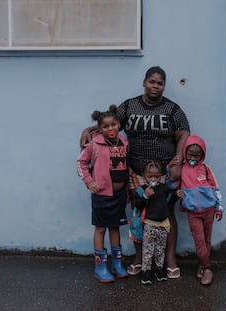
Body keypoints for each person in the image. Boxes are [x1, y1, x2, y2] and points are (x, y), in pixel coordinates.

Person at [80, 66, 190, 279]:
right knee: (139, 216)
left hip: (164, 172)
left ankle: (169, 258)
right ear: (144, 82)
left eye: (160, 83)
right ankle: (141, 257)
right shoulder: (129, 106)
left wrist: (178, 160)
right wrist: (87, 131)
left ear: (164, 86)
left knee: (167, 213)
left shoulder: (172, 109)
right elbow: (109, 123)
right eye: (152, 82)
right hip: (135, 172)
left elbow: (184, 132)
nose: (155, 86)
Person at [77, 105, 129, 283]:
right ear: (100, 129)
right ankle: (100, 267)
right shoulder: (94, 145)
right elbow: (81, 163)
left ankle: (117, 264)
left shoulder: (124, 143)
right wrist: (89, 182)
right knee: (101, 228)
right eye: (105, 126)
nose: (110, 129)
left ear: (119, 125)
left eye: (113, 124)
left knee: (115, 227)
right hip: (102, 195)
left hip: (120, 195)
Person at [174, 134, 223, 285]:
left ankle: (202, 265)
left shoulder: (206, 169)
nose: (193, 157)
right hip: (193, 213)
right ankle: (208, 268)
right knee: (199, 240)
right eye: (190, 154)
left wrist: (218, 208)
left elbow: (215, 188)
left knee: (207, 240)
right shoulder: (182, 169)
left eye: (197, 154)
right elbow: (172, 184)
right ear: (185, 152)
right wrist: (179, 193)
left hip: (208, 210)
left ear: (203, 154)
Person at [132, 160, 171, 285]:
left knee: (160, 249)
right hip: (149, 224)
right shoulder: (142, 190)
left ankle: (159, 270)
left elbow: (169, 200)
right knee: (148, 250)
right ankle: (146, 271)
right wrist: (145, 196)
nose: (153, 179)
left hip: (163, 224)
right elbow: (137, 205)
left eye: (157, 176)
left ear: (161, 176)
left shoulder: (164, 188)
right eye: (150, 176)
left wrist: (178, 194)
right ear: (144, 176)